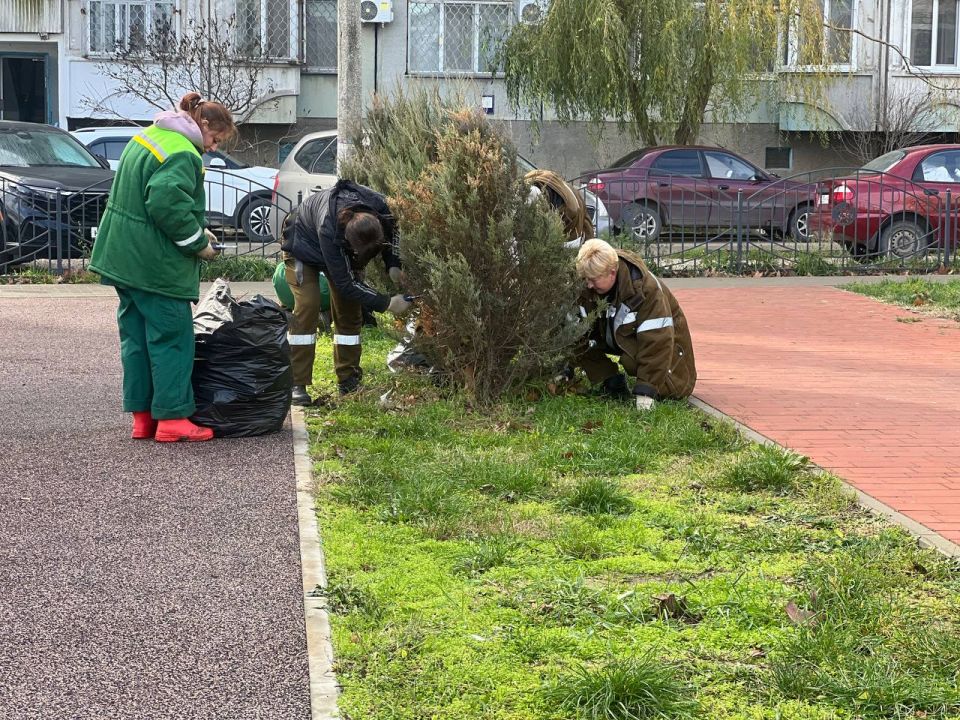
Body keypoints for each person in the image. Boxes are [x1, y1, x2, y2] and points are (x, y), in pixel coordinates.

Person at [89, 92, 236, 442]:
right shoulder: (183, 153)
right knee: (172, 338)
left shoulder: (150, 136)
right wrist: (200, 245)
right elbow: (166, 205)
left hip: (122, 256)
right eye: (215, 139)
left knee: (136, 339)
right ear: (202, 125)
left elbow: (148, 197)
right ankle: (172, 419)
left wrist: (194, 226)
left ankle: (143, 417)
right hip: (153, 263)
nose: (213, 148)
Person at [280, 179, 412, 405]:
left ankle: (348, 380)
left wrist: (393, 264)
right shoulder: (329, 228)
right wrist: (387, 303)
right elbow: (345, 283)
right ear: (349, 243)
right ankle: (296, 383)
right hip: (301, 242)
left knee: (349, 312)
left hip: (339, 244)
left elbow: (394, 234)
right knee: (308, 307)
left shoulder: (381, 207)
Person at [573, 238, 696, 410]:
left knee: (669, 389)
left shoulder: (647, 290)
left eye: (593, 279)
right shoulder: (589, 284)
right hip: (615, 335)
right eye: (585, 279)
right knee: (575, 336)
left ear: (612, 272)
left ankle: (649, 382)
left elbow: (657, 342)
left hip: (666, 344)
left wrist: (646, 391)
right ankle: (610, 379)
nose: (588, 285)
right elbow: (575, 334)